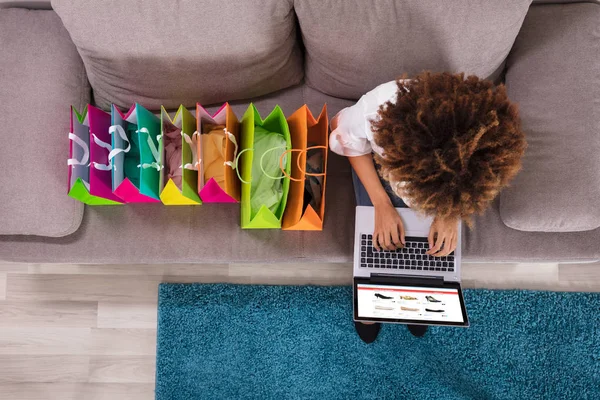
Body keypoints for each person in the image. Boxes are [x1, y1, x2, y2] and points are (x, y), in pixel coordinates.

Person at [330, 72, 527, 343]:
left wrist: (450, 214)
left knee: (432, 259)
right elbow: (346, 138)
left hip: (437, 183)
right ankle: (370, 302)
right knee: (376, 247)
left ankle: (414, 302)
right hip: (379, 173)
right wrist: (381, 203)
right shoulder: (376, 111)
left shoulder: (487, 138)